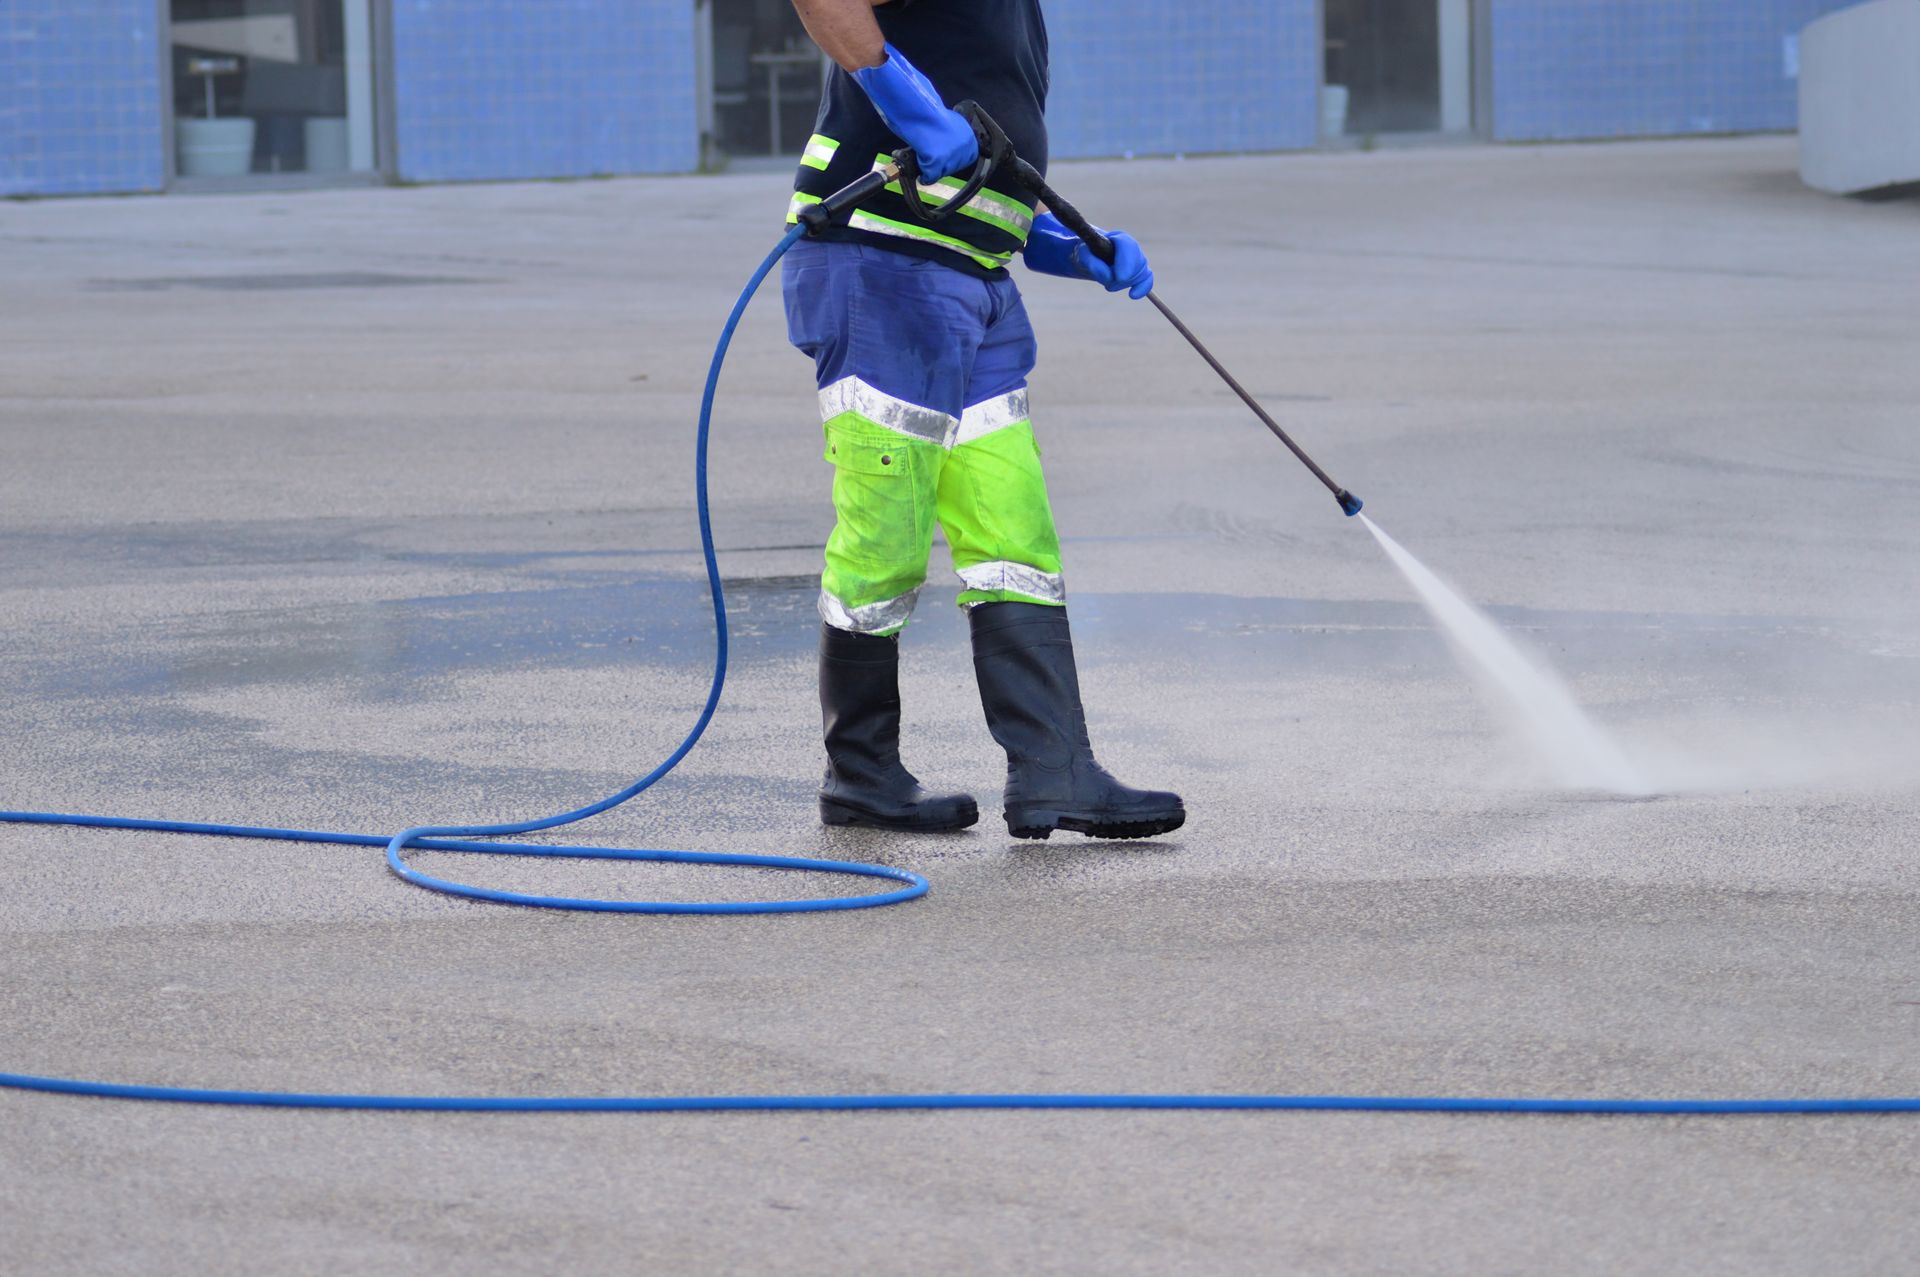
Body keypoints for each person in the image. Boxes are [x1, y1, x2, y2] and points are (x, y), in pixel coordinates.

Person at [783, 0, 1184, 841]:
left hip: (977, 283)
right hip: (883, 265)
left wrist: (1066, 244)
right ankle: (859, 772)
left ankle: (1054, 770)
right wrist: (907, 100)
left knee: (1015, 535)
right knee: (886, 538)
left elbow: (988, 152)